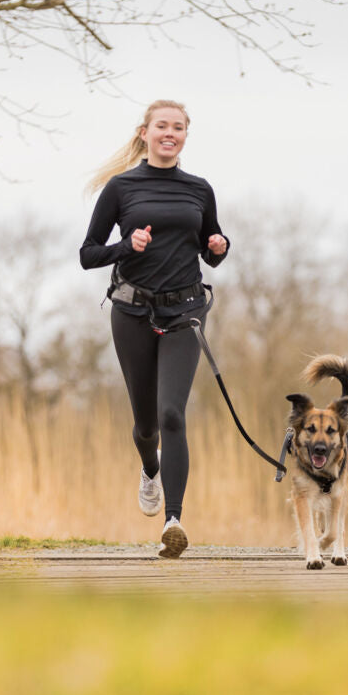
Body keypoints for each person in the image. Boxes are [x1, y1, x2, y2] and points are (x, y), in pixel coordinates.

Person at [80, 99, 230, 558]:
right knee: (146, 424)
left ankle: (173, 520)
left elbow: (210, 247)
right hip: (131, 313)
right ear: (144, 133)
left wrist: (221, 247)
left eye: (179, 127)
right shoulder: (121, 188)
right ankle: (150, 469)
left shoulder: (199, 190)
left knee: (172, 415)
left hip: (184, 311)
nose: (171, 133)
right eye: (162, 126)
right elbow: (89, 254)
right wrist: (127, 245)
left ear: (186, 135)